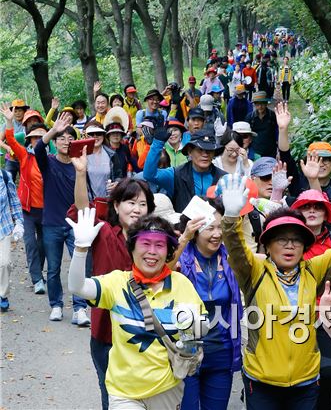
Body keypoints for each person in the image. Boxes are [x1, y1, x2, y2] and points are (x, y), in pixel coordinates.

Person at [219, 174, 331, 409]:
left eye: (296, 240)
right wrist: (230, 218)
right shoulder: (254, 270)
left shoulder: (314, 270)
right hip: (261, 381)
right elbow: (236, 248)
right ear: (268, 245)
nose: (289, 245)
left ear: (304, 246)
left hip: (306, 382)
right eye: (281, 240)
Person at [67, 210, 207, 408]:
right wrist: (80, 249)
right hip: (123, 392)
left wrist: (193, 327)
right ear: (131, 248)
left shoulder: (182, 284)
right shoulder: (116, 282)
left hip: (167, 389)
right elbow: (77, 287)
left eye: (159, 245)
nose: (152, 251)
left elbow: (199, 331)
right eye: (145, 243)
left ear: (168, 251)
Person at [68, 150, 156, 410]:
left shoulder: (156, 242)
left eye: (142, 204)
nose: (136, 209)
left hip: (146, 331)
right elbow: (83, 212)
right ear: (116, 206)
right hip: (107, 332)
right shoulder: (104, 232)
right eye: (130, 202)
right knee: (111, 396)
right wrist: (81, 173)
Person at [290, 189, 331, 410]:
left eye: (317, 206)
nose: (312, 210)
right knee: (297, 373)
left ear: (326, 212)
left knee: (329, 372)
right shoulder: (290, 240)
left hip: (329, 317)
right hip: (297, 317)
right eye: (306, 206)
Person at [177, 198, 243, 409]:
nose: (217, 234)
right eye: (210, 228)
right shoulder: (180, 259)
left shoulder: (230, 259)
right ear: (195, 230)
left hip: (221, 353)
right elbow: (161, 272)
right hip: (186, 354)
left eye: (220, 227)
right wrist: (184, 238)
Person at [34, 112, 90, 323]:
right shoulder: (47, 163)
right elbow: (38, 148)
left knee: (79, 265)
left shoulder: (79, 165)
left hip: (75, 223)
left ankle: (79, 308)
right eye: (61, 138)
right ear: (55, 142)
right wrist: (52, 130)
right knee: (54, 268)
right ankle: (56, 305)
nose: (66, 142)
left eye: (70, 138)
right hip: (51, 223)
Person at [276, 103, 331, 235]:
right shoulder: (298, 182)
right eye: (316, 159)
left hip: (330, 248)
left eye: (326, 160)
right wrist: (283, 129)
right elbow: (285, 156)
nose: (321, 164)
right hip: (302, 243)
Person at [1, 103, 46, 294]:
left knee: (43, 244)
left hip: (46, 210)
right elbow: (10, 139)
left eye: (40, 138)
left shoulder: (51, 157)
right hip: (27, 209)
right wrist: (9, 121)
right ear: (29, 139)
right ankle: (37, 278)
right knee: (30, 244)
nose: (36, 141)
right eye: (33, 138)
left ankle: (39, 273)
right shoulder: (25, 155)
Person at [143, 129, 226, 212]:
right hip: (183, 224)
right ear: (190, 151)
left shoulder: (224, 178)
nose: (205, 155)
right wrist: (158, 142)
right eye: (200, 150)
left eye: (209, 151)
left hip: (215, 224)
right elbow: (149, 175)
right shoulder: (176, 175)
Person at [0, 167, 24, 312]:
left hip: (3, 226)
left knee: (5, 263)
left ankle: (2, 295)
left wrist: (19, 222)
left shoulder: (5, 176)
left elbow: (14, 202)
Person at [83, 121, 123, 199]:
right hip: (88, 202)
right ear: (85, 136)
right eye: (91, 134)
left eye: (98, 133)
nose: (95, 136)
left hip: (108, 200)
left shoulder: (112, 154)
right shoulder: (81, 155)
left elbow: (119, 175)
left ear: (103, 135)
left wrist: (117, 183)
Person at [0, 99, 28, 182]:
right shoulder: (7, 124)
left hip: (25, 159)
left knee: (26, 181)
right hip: (11, 159)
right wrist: (7, 148)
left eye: (20, 111)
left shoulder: (28, 123)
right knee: (8, 181)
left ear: (24, 111)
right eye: (15, 111)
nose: (18, 113)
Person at [246, 91, 278, 158]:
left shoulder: (273, 116)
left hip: (271, 151)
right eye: (257, 104)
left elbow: (277, 131)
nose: (260, 107)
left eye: (262, 104)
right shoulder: (250, 118)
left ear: (266, 103)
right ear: (254, 104)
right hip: (255, 151)